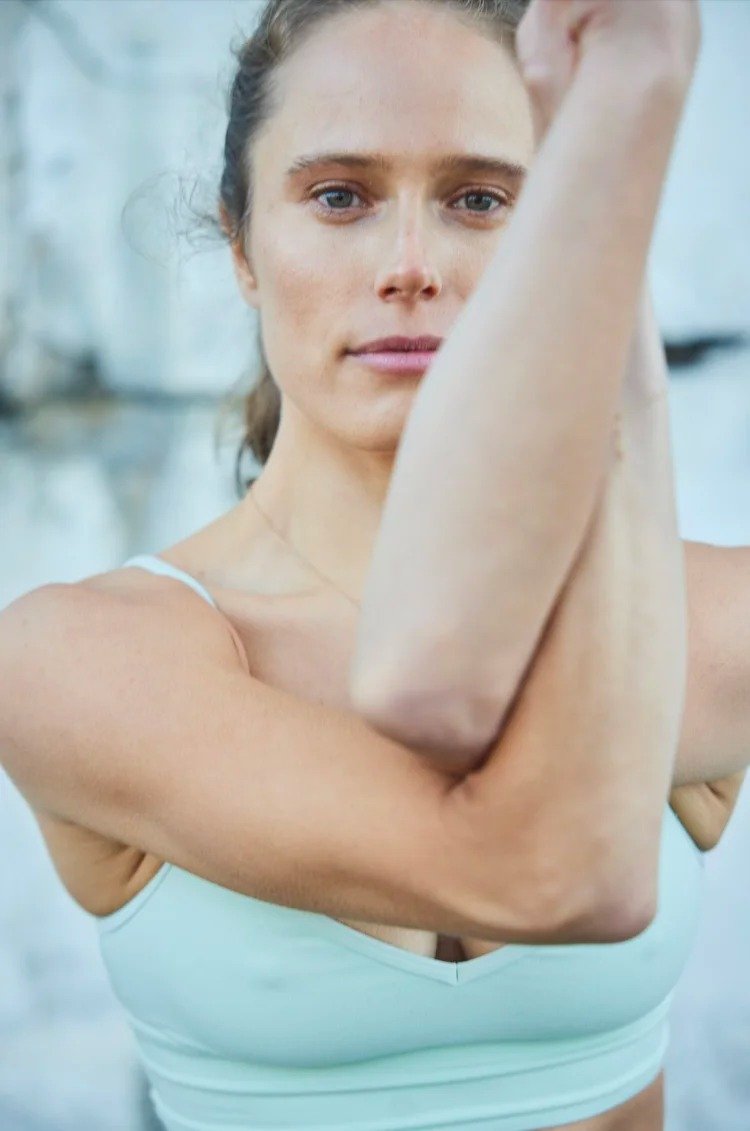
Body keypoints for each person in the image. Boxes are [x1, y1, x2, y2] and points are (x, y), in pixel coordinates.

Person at [0, 1, 744, 1129]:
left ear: (566, 242)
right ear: (244, 247)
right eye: (339, 196)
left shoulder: (708, 611)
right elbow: (544, 870)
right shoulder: (79, 656)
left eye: (481, 199)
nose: (410, 266)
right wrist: (632, 117)